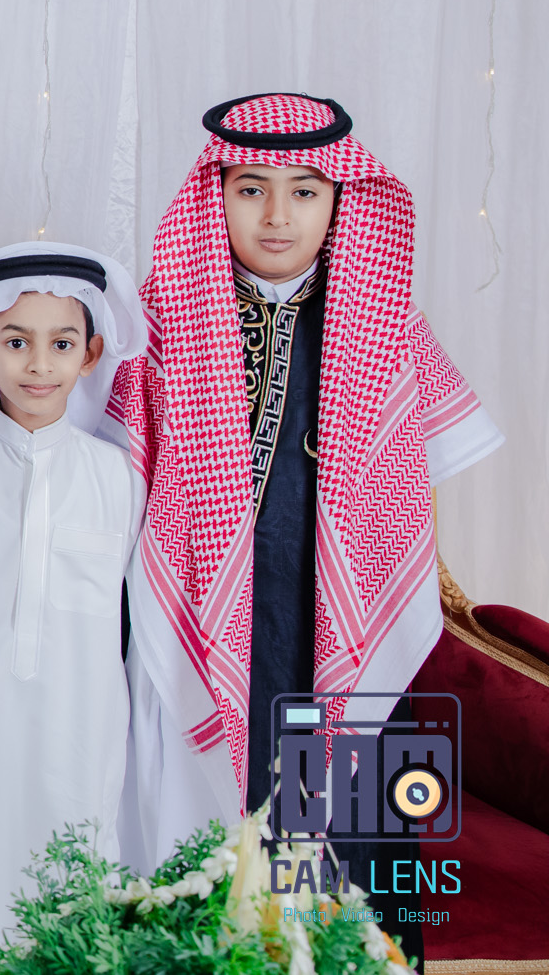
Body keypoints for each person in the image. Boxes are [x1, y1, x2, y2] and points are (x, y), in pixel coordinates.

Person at [110, 93, 504, 959]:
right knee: (212, 844)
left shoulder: (386, 321)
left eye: (305, 190)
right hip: (204, 623)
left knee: (351, 864)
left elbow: (411, 504)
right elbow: (119, 484)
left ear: (340, 198)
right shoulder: (162, 319)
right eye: (251, 188)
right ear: (216, 193)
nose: (277, 215)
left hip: (351, 628)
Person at [0, 244, 147, 965]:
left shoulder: (118, 477)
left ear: (92, 354)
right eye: (16, 342)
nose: (39, 364)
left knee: (73, 891)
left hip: (81, 728)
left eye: (62, 344)